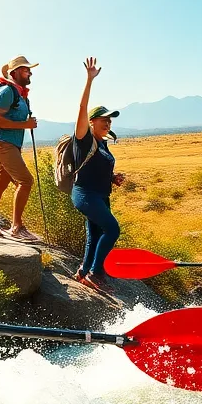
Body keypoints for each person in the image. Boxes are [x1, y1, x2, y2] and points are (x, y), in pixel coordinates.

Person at [69, 57, 126, 289]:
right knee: (112, 229)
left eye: (109, 121)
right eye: (104, 120)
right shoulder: (83, 139)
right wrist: (89, 80)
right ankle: (95, 273)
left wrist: (113, 178)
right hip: (86, 195)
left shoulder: (102, 143)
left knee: (94, 234)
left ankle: (83, 272)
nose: (108, 124)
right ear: (91, 122)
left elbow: (96, 168)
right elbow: (82, 109)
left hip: (100, 195)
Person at [0, 55, 41, 241]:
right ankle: (17, 227)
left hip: (9, 145)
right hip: (3, 144)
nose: (30, 73)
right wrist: (25, 125)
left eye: (29, 70)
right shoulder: (6, 91)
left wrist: (27, 122)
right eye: (26, 70)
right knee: (26, 181)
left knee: (0, 184)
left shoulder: (20, 95)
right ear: (15, 72)